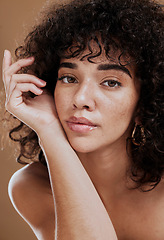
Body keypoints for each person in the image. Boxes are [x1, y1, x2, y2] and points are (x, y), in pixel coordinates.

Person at [2, 0, 164, 239]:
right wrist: (49, 129)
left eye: (111, 82)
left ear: (145, 103)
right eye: (69, 78)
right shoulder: (30, 186)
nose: (81, 99)